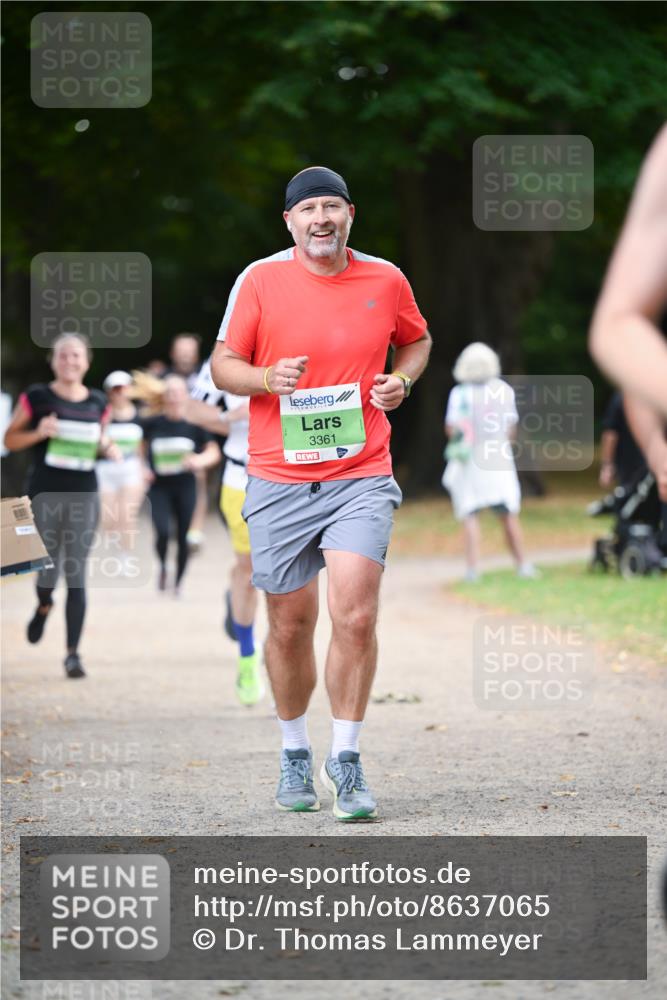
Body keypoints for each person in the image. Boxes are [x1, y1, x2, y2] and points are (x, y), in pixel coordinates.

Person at [211, 165, 432, 821]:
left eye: (331, 207)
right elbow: (223, 366)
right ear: (289, 222)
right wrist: (263, 377)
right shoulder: (259, 280)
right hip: (279, 477)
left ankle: (348, 757)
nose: (320, 219)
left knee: (356, 614)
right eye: (308, 210)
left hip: (360, 472)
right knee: (287, 623)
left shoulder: (385, 278)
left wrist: (403, 381)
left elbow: (416, 341)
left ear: (349, 215)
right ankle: (292, 752)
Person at [3, 332, 119, 678]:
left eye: (77, 356)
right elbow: (10, 439)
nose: (70, 361)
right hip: (45, 494)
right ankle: (42, 605)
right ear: (54, 361)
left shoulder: (99, 401)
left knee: (77, 573)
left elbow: (101, 441)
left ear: (87, 361)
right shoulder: (37, 397)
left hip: (84, 493)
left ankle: (73, 654)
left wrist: (108, 449)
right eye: (64, 355)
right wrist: (39, 432)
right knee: (47, 571)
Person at [189, 358, 264, 706]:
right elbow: (192, 410)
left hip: (295, 479)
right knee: (249, 572)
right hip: (241, 479)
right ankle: (247, 657)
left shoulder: (299, 343)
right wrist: (227, 419)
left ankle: (283, 662)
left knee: (289, 576)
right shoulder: (226, 358)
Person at [442, 342, 536, 582]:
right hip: (497, 457)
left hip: (469, 458)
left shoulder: (459, 393)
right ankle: (523, 565)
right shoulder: (503, 390)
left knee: (470, 513)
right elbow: (510, 428)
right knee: (507, 512)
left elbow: (451, 429)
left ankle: (473, 570)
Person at [141, 375, 220, 596]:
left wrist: (198, 460)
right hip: (159, 487)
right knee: (163, 532)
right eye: (170, 392)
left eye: (178, 392)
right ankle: (164, 566)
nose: (174, 396)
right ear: (164, 396)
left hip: (185, 486)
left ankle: (178, 581)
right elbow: (141, 446)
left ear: (186, 395)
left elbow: (213, 451)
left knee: (184, 535)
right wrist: (142, 467)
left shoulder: (195, 425)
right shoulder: (153, 423)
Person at [96, 371, 146, 576]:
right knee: (109, 517)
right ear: (109, 392)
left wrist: (144, 468)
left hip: (131, 468)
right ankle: (117, 551)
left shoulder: (140, 415)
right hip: (106, 469)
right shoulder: (103, 415)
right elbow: (96, 445)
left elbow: (142, 447)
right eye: (115, 389)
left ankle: (126, 557)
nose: (120, 393)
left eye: (123, 388)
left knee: (127, 514)